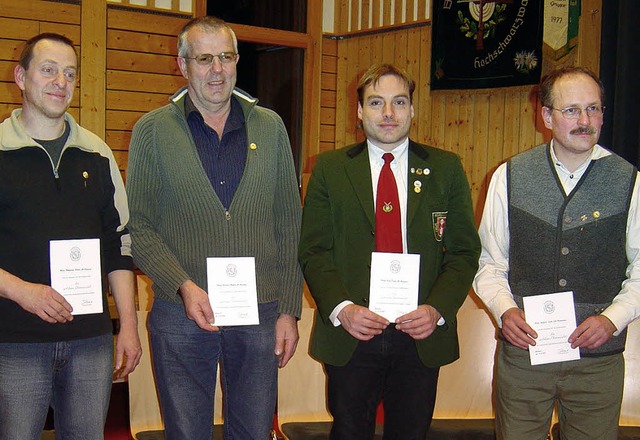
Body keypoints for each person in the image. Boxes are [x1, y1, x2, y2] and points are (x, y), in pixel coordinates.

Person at [126, 16, 303, 440]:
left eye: (225, 57)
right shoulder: (151, 131)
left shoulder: (271, 127)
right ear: (182, 65)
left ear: (238, 60)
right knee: (186, 433)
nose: (217, 70)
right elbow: (140, 228)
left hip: (259, 311)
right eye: (204, 59)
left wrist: (289, 309)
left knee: (254, 431)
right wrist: (184, 285)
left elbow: (289, 224)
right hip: (180, 312)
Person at [298, 63, 481, 439]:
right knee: (349, 432)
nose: (388, 113)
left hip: (419, 333)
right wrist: (342, 309)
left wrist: (436, 310)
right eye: (376, 102)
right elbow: (314, 251)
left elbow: (463, 253)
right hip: (353, 332)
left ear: (412, 109)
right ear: (359, 111)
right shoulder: (330, 170)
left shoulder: (446, 169)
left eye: (399, 102)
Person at [473, 66, 640, 440]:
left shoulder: (631, 181)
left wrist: (611, 320)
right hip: (524, 354)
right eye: (572, 110)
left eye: (594, 109)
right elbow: (489, 264)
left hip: (598, 361)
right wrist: (505, 310)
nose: (585, 121)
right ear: (546, 116)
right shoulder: (509, 176)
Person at [0, 33, 141, 440]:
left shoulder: (97, 155)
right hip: (15, 341)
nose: (61, 82)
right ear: (21, 77)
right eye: (48, 70)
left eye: (70, 73)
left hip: (89, 343)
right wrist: (22, 291)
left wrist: (127, 326)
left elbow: (118, 245)